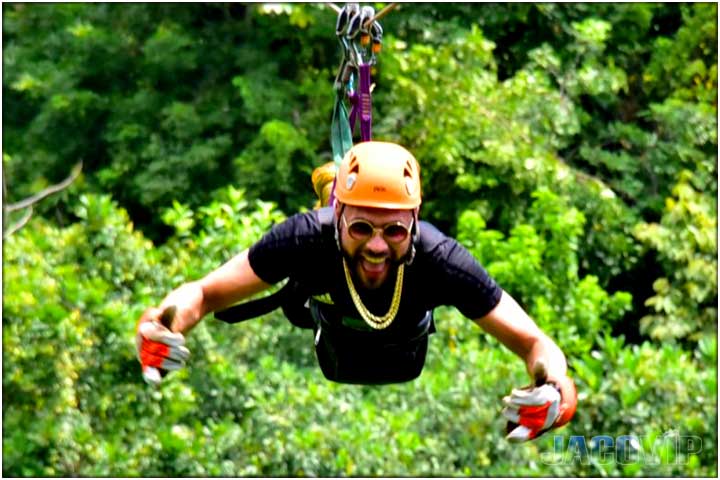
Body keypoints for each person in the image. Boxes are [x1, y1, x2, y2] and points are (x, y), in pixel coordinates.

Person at [136, 141, 577, 442]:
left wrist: (556, 395)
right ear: (338, 213)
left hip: (406, 349)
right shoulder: (306, 238)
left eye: (395, 230)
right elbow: (203, 294)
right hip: (334, 340)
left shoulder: (439, 258)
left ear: (416, 219)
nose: (378, 246)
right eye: (362, 226)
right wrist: (159, 324)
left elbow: (537, 345)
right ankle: (332, 182)